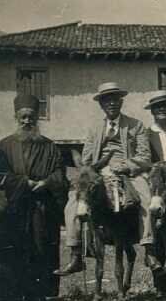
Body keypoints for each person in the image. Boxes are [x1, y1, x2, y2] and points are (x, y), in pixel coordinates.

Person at [56, 82, 156, 275]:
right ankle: (76, 253)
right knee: (73, 201)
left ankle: (148, 247)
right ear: (101, 104)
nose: (111, 103)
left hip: (127, 171)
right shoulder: (94, 129)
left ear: (121, 101)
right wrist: (94, 169)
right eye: (107, 100)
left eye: (115, 99)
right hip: (98, 172)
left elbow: (145, 157)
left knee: (145, 196)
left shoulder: (136, 125)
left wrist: (125, 165)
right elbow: (85, 158)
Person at [0, 93, 69, 301]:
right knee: (13, 248)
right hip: (14, 207)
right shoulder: (4, 147)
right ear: (16, 117)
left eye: (31, 117)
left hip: (41, 207)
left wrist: (47, 183)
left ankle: (40, 294)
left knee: (41, 248)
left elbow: (60, 173)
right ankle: (10, 296)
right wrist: (25, 183)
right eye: (23, 117)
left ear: (37, 118)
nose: (27, 121)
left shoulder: (49, 147)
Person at [144, 89, 166, 287]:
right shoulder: (147, 133)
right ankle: (160, 286)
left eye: (165, 106)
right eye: (157, 107)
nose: (162, 110)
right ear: (152, 111)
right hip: (156, 182)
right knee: (157, 228)